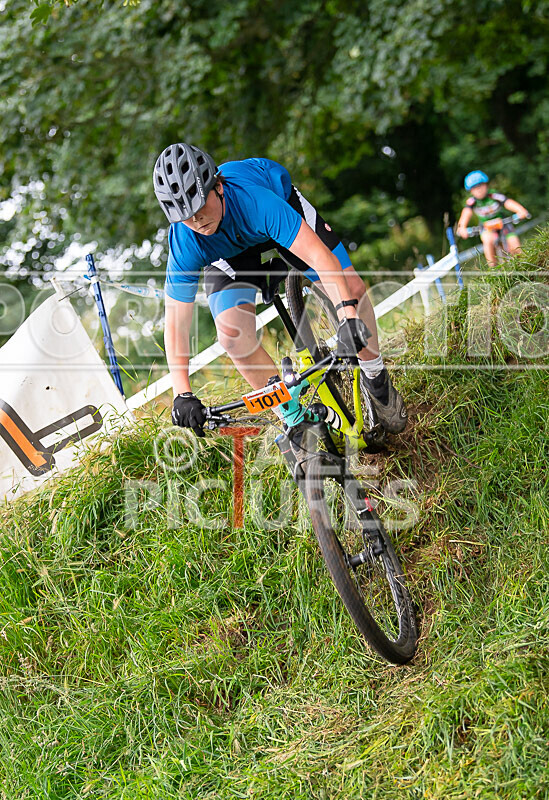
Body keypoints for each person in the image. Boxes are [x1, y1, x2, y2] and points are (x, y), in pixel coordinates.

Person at [153, 142, 407, 438]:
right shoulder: (186, 239)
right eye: (185, 215)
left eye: (198, 206)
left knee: (350, 287)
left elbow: (320, 258)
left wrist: (348, 316)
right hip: (229, 253)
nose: (196, 220)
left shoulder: (256, 200)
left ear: (218, 186)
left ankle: (376, 378)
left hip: (276, 206)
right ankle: (290, 414)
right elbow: (176, 322)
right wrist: (182, 393)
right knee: (232, 336)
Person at [456, 170, 530, 266]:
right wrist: (462, 228)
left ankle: (524, 265)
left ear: (486, 185)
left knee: (514, 244)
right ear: (471, 191)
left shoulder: (494, 195)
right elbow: (465, 214)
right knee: (487, 240)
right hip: (487, 228)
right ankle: (494, 269)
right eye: (474, 188)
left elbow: (508, 203)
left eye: (480, 185)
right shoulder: (472, 202)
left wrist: (521, 210)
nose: (478, 189)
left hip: (503, 224)